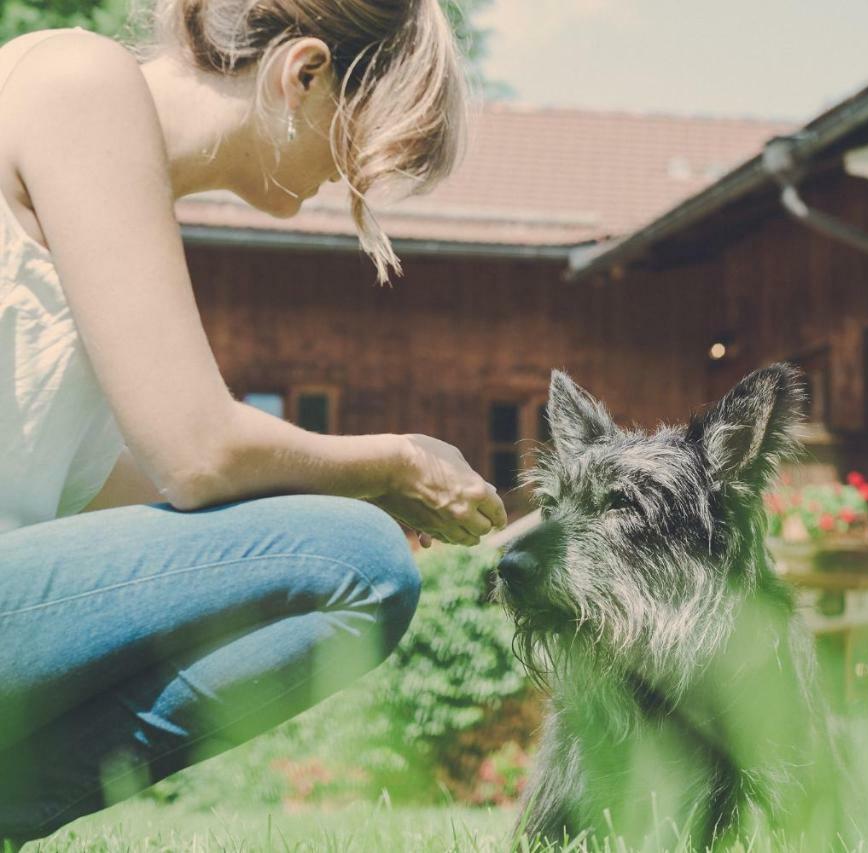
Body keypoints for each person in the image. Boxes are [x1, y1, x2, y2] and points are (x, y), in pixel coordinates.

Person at [0, 0, 506, 842]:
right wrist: (396, 462)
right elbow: (198, 455)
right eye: (359, 143)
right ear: (303, 75)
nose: (352, 185)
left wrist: (335, 492)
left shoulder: (91, 180)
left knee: (342, 539)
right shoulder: (79, 80)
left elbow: (119, 499)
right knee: (358, 565)